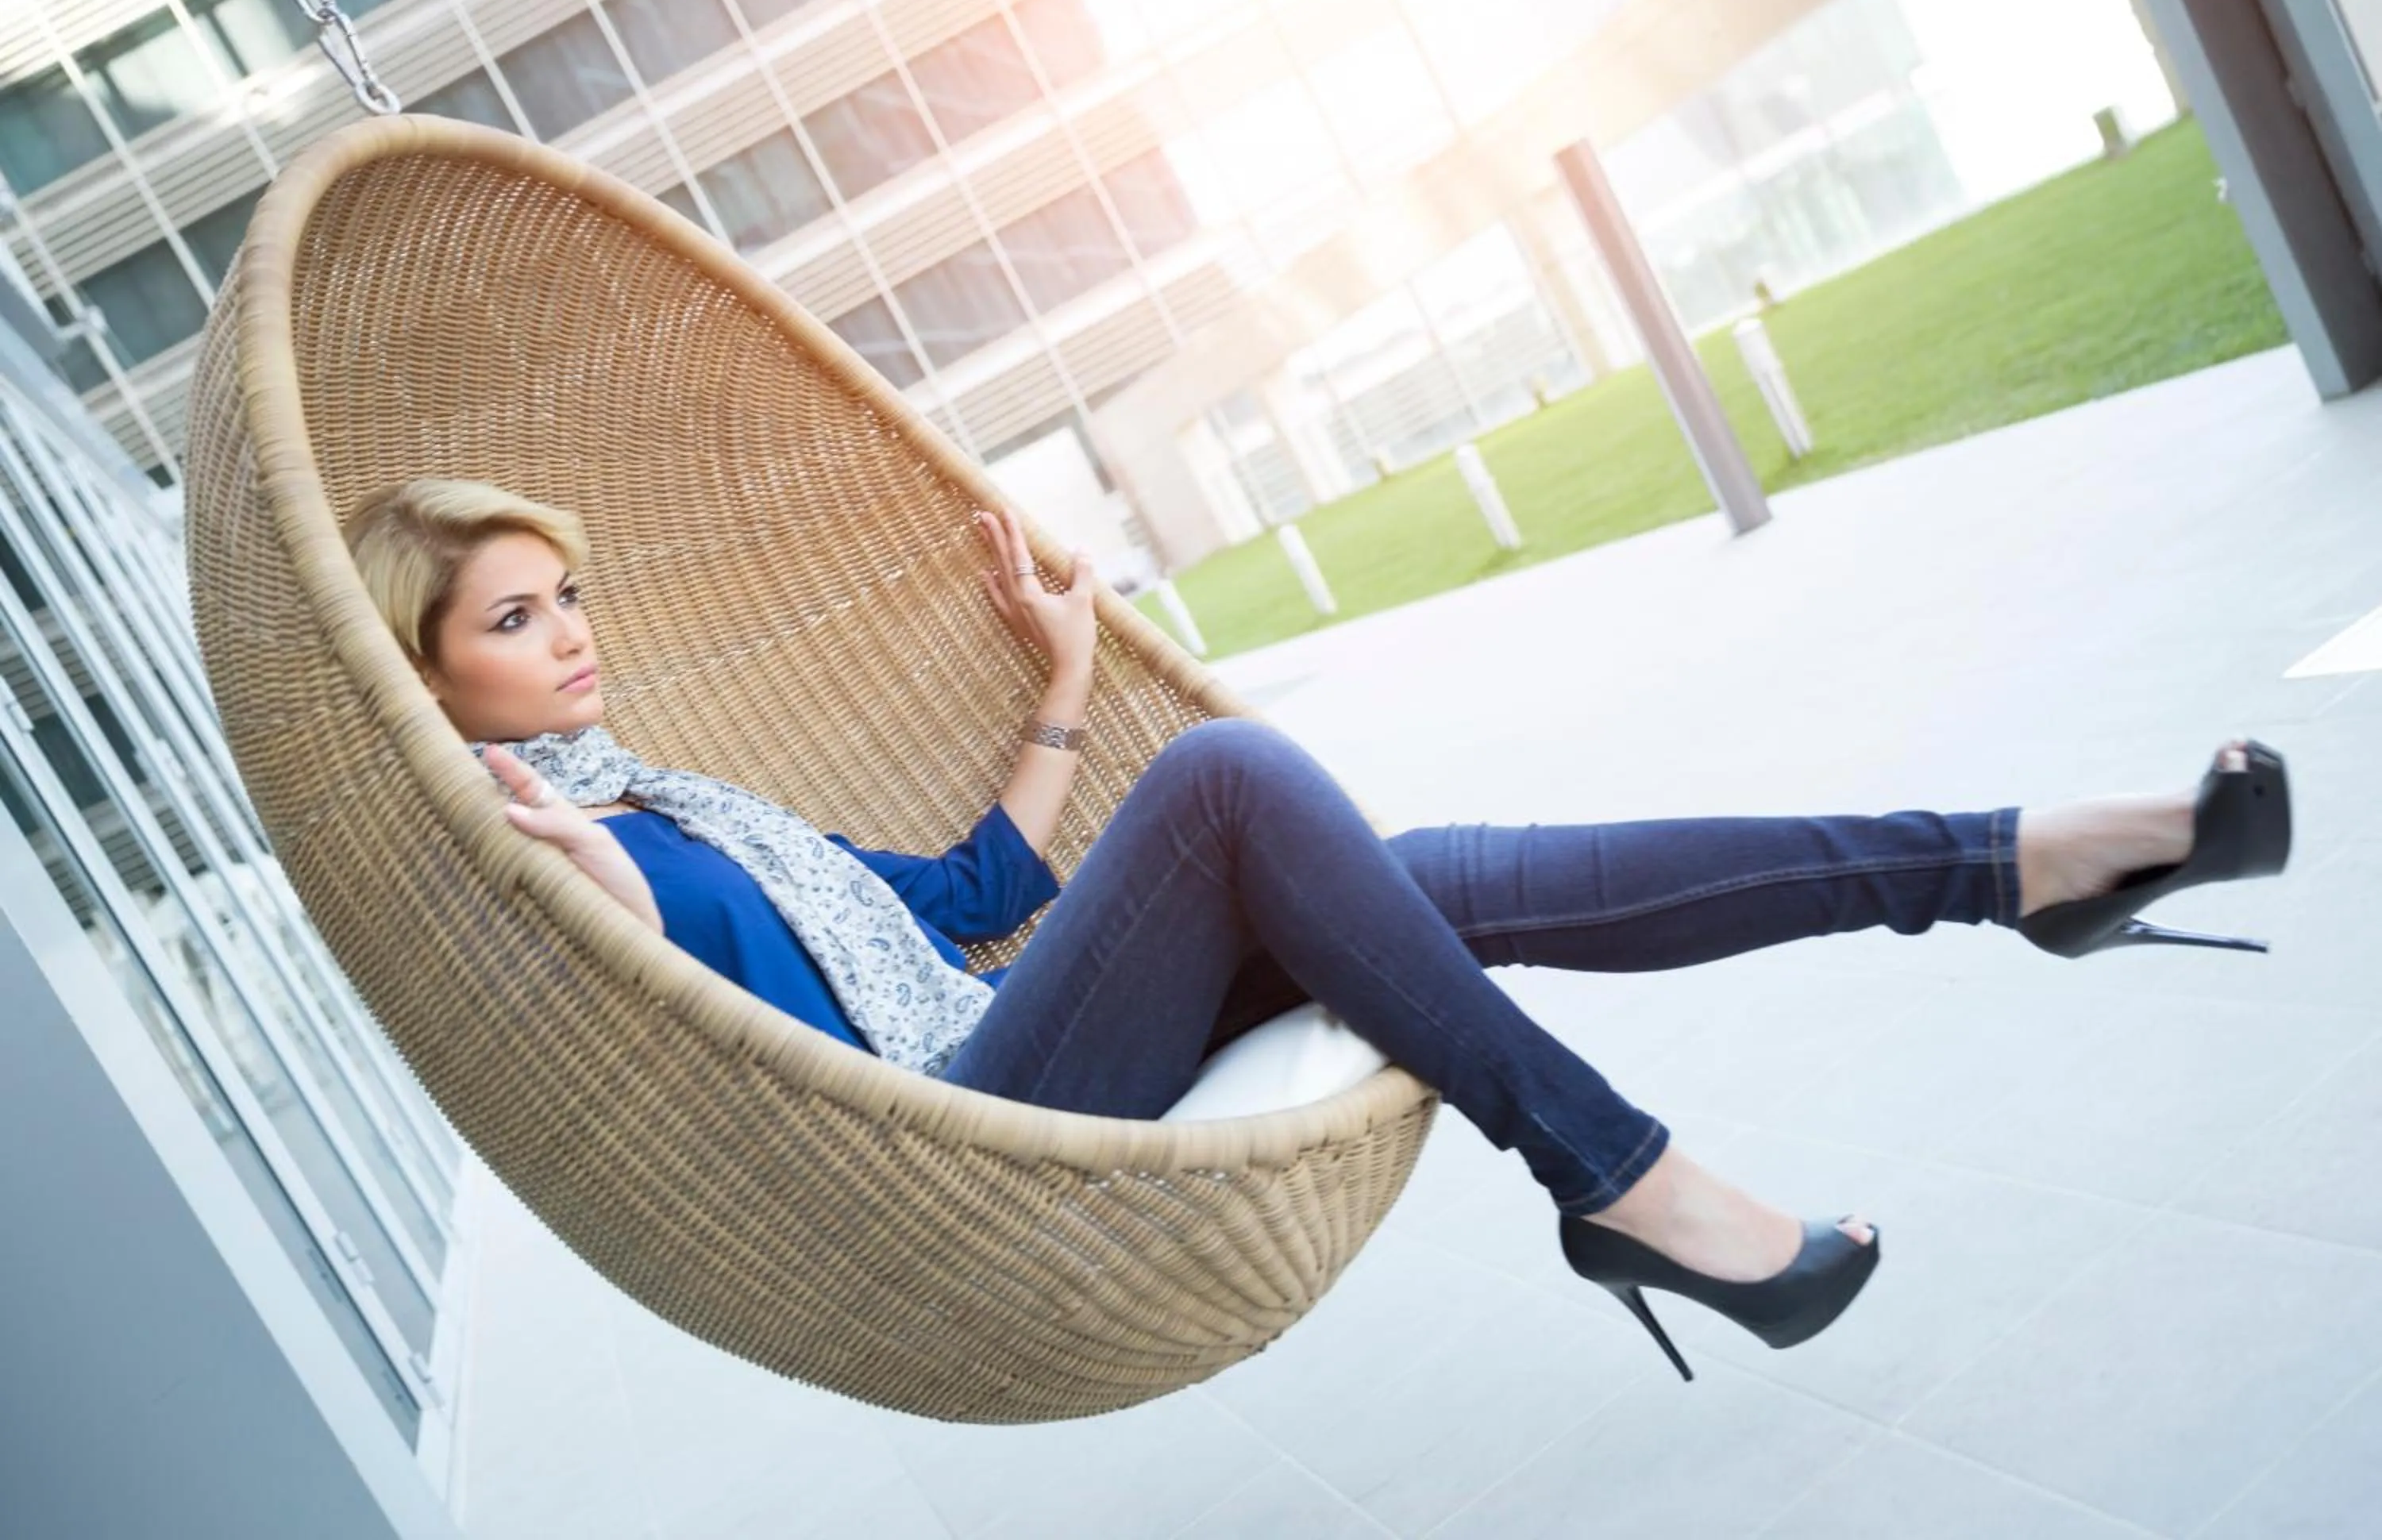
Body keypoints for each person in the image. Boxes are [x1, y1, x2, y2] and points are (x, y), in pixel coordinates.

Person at [344, 478, 2291, 1383]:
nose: (572, 629)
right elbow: (730, 1091)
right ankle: (1626, 1175)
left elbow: (957, 907)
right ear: (427, 679)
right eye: (512, 620)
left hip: (999, 1031)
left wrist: (1066, 671)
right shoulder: (545, 866)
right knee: (1227, 785)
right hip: (958, 1145)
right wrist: (613, 927)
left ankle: (2021, 860)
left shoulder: (673, 797)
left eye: (568, 589)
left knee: (1450, 869)